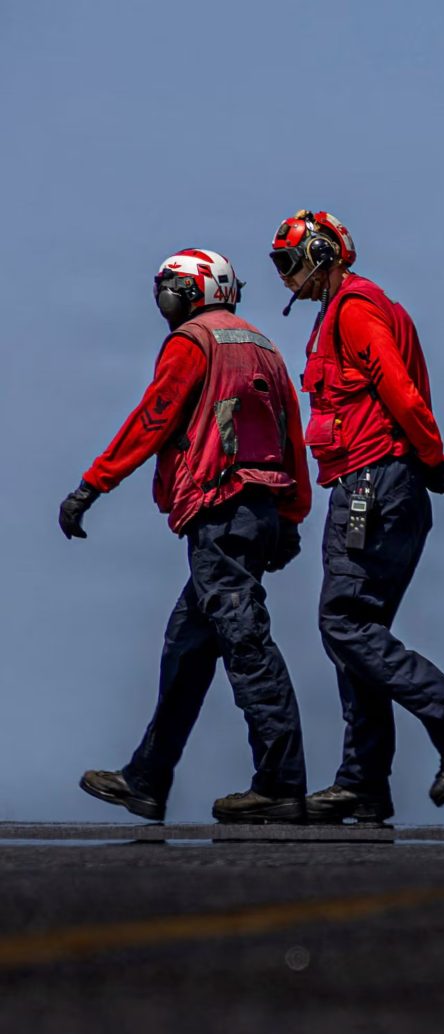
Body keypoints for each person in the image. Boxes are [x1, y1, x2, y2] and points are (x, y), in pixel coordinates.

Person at [61, 250, 311, 824]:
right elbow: (289, 434)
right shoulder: (262, 343)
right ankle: (148, 779)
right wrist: (292, 516)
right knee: (187, 649)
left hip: (220, 511)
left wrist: (92, 486)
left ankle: (280, 784)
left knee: (245, 644)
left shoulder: (193, 342)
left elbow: (155, 417)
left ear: (195, 289)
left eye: (170, 285)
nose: (162, 296)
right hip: (258, 512)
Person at [270, 210, 444, 824]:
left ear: (324, 253)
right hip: (384, 483)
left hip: (371, 483)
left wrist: (435, 459)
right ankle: (363, 784)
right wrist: (430, 467)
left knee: (343, 622)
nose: (284, 276)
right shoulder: (355, 309)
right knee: (358, 633)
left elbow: (399, 390)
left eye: (289, 261)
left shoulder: (354, 309)